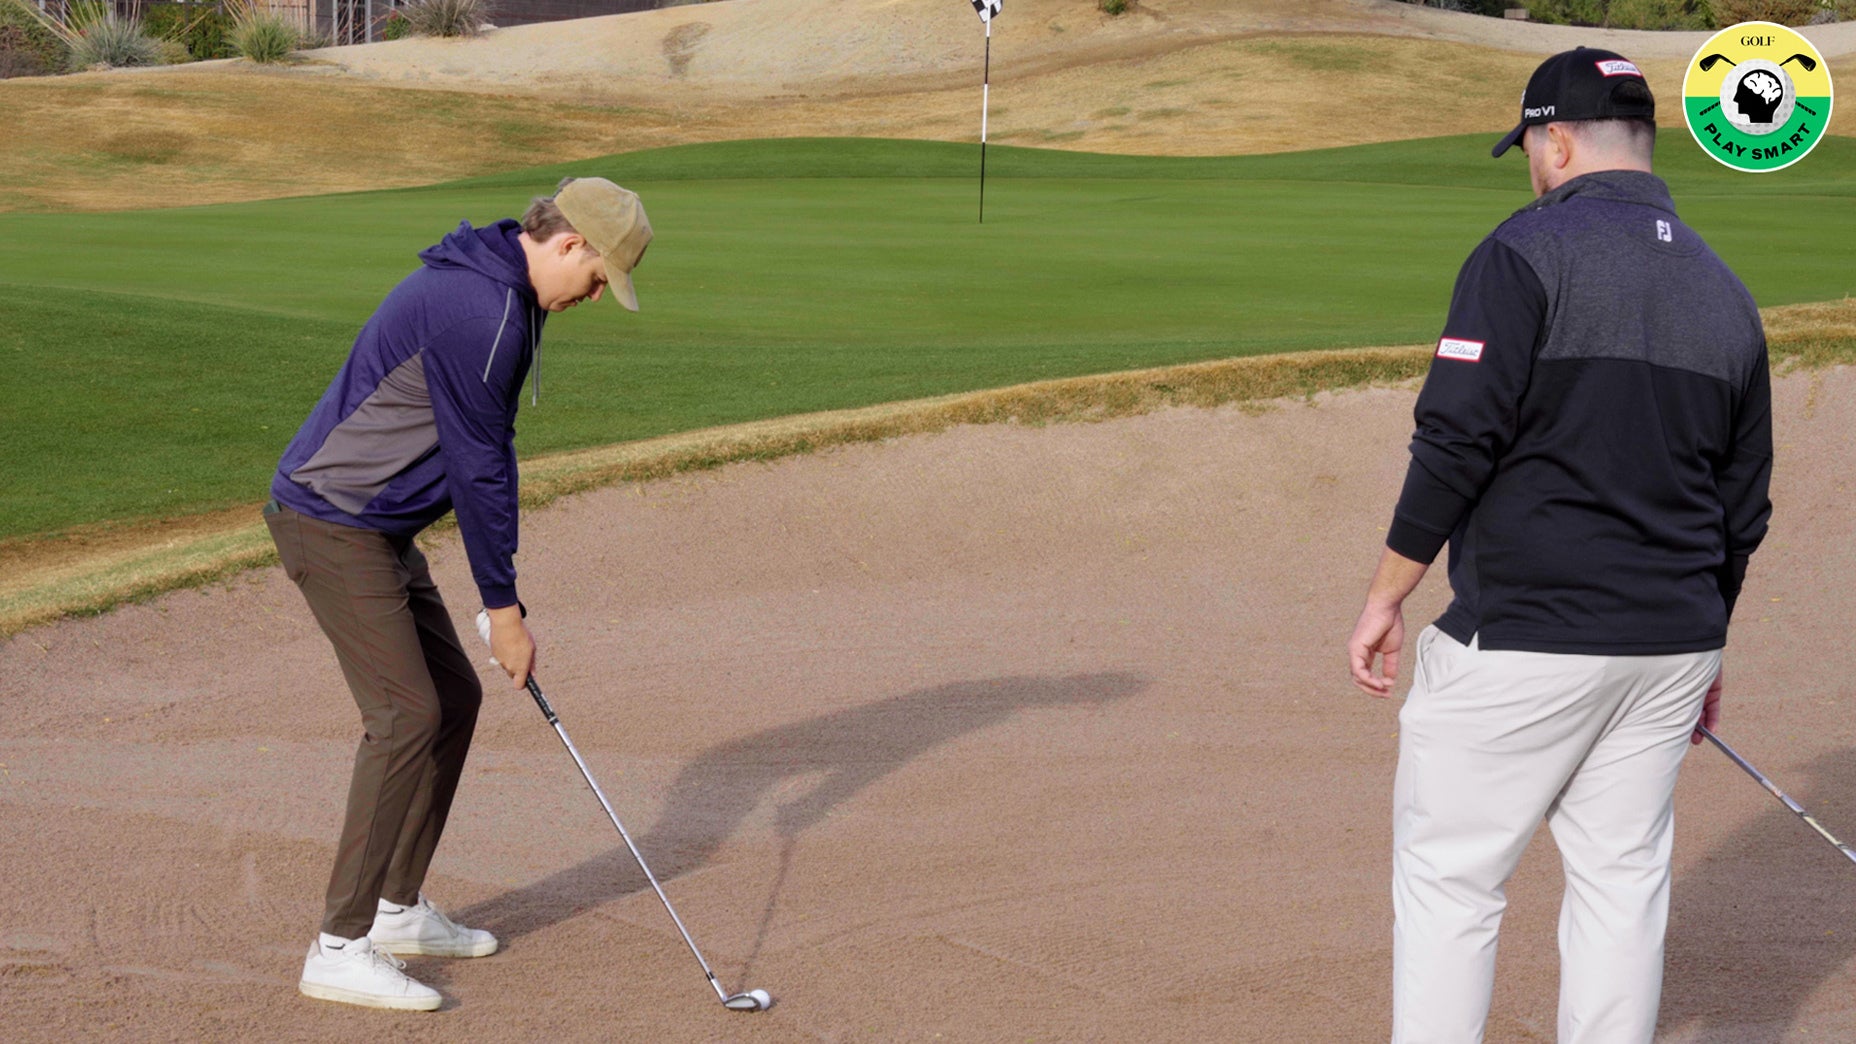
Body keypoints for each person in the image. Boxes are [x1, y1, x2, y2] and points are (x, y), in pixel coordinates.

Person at [1345, 48, 1772, 1043]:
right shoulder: (1725, 292)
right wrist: (1704, 641)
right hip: (1668, 644)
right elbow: (1738, 508)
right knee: (1620, 884)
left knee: (1451, 880)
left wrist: (1384, 596)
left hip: (1525, 636)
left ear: (1556, 140)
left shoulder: (1520, 253)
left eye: (1530, 145)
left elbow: (1455, 439)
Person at [264, 177, 653, 1010]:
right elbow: (479, 472)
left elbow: (485, 458)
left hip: (375, 527)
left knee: (453, 697)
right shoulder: (488, 313)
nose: (590, 296)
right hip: (332, 521)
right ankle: (338, 945)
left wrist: (493, 596)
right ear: (570, 244)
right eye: (594, 279)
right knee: (406, 715)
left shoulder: (502, 297)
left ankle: (399, 909)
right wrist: (504, 608)